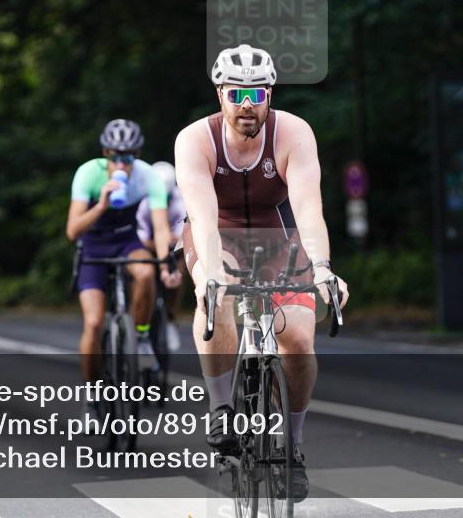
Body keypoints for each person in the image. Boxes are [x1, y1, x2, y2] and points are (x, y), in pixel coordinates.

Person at [174, 44, 350, 502]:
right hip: (218, 233)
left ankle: (292, 447)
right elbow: (203, 218)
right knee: (218, 294)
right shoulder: (195, 139)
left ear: (270, 93)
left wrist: (324, 268)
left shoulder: (294, 132)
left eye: (256, 93)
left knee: (299, 338)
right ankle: (221, 409)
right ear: (220, 95)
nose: (247, 104)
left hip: (277, 234)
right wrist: (212, 273)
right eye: (237, 94)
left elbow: (309, 211)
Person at [66, 119, 182, 418]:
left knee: (145, 273)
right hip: (93, 246)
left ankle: (140, 335)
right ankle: (92, 398)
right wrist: (101, 204)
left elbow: (158, 227)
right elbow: (72, 230)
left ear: (137, 156)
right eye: (115, 156)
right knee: (92, 324)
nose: (121, 163)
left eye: (128, 157)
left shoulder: (148, 178)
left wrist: (166, 264)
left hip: (126, 241)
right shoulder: (88, 174)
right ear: (105, 153)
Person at [136, 160, 187, 351]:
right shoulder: (143, 202)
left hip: (173, 248)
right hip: (148, 247)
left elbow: (184, 232)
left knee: (179, 271)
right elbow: (140, 236)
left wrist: (172, 242)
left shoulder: (180, 201)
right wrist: (160, 243)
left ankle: (171, 317)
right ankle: (138, 325)